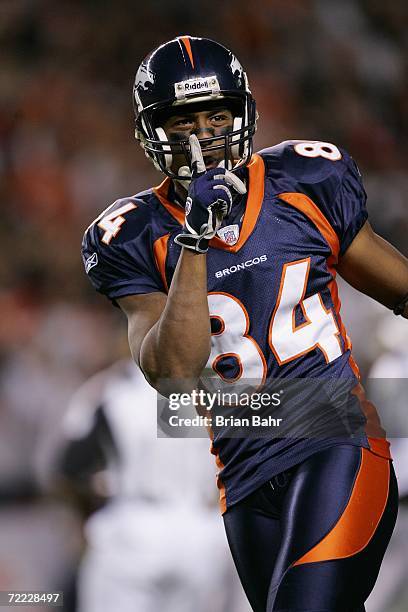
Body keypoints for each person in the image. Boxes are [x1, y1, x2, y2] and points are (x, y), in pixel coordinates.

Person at [82, 35, 408, 611]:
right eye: (183, 122)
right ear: (149, 133)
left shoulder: (305, 181)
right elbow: (174, 374)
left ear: (245, 114)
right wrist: (196, 240)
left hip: (336, 442)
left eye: (217, 115)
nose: (203, 136)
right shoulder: (134, 234)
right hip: (243, 472)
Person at [54, 359, 248, 612]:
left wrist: (102, 486)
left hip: (132, 530)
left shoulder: (114, 387)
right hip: (200, 534)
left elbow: (71, 466)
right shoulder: (218, 388)